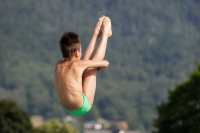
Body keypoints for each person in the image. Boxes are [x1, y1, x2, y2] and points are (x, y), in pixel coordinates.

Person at [54, 16, 112, 115]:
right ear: (77, 53)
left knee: (86, 64)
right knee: (92, 67)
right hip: (82, 106)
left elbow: (83, 63)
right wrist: (98, 65)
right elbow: (105, 63)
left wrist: (88, 63)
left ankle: (96, 34)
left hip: (68, 108)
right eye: (80, 50)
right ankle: (105, 35)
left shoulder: (58, 64)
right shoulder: (78, 65)